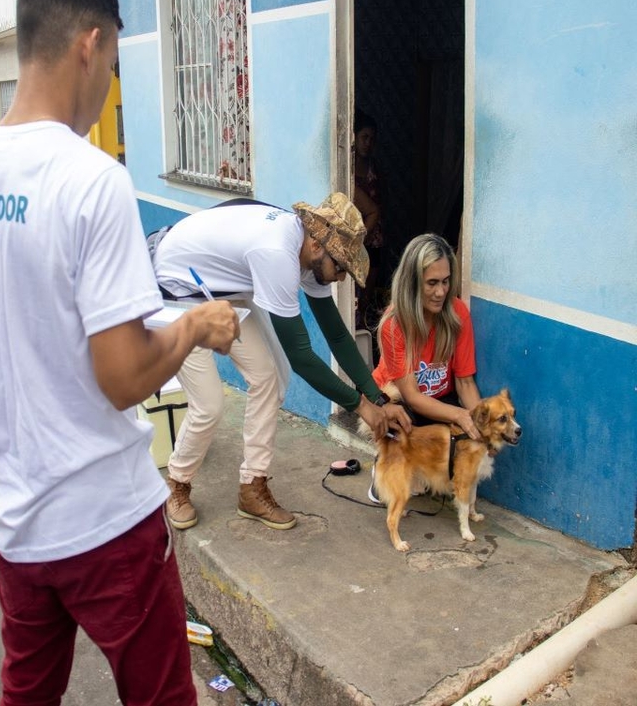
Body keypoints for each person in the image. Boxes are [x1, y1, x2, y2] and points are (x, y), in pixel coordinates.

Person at [0, 0, 238, 706]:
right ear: (88, 45)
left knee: (27, 694)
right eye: (116, 63)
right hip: (107, 522)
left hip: (18, 524)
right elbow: (123, 375)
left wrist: (24, 327)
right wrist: (192, 324)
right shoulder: (90, 178)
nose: (107, 87)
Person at [152, 192, 412, 532]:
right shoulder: (277, 254)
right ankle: (177, 485)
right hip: (178, 289)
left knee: (269, 379)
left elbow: (336, 335)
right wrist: (361, 407)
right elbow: (302, 357)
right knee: (209, 405)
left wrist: (379, 397)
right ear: (319, 247)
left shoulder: (308, 249)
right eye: (342, 267)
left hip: (223, 287)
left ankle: (252, 487)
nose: (342, 278)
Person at [372, 233, 481, 439]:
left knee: (469, 439)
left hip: (440, 399)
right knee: (404, 441)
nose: (441, 292)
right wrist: (460, 415)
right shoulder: (394, 324)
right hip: (398, 401)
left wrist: (480, 423)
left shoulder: (458, 313)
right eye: (432, 283)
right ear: (412, 284)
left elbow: (465, 383)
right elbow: (412, 396)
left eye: (445, 281)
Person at [352, 109, 384, 329]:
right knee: (351, 293)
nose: (368, 143)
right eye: (364, 137)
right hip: (354, 239)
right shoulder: (346, 168)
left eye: (372, 139)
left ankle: (362, 330)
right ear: (353, 137)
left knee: (366, 295)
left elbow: (382, 201)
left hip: (375, 238)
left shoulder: (375, 168)